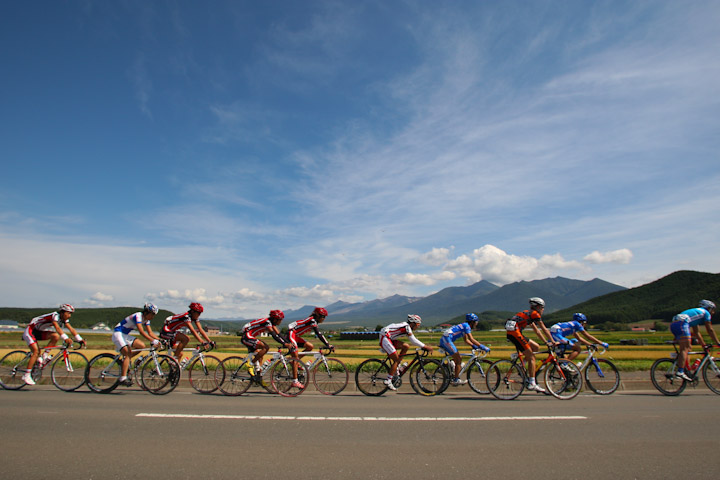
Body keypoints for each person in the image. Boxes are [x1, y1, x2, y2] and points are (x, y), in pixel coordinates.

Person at [21, 304, 86, 385]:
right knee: (36, 352)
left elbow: (71, 329)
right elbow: (57, 328)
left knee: (55, 336)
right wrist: (65, 338)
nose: (69, 316)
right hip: (30, 331)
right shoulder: (55, 315)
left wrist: (80, 339)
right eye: (68, 313)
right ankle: (26, 375)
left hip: (39, 331)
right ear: (62, 312)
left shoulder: (63, 319)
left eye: (70, 314)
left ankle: (45, 355)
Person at [505, 297, 554, 393]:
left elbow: (537, 331)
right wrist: (552, 341)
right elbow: (544, 328)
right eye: (542, 308)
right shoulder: (534, 314)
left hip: (515, 333)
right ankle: (532, 383)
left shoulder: (528, 314)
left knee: (536, 347)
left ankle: (520, 363)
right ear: (538, 307)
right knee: (531, 357)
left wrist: (546, 342)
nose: (543, 310)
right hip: (515, 334)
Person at [112, 303, 163, 386]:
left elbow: (150, 332)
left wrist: (160, 340)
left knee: (141, 346)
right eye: (152, 314)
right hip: (118, 334)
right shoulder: (138, 316)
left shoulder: (147, 320)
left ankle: (125, 361)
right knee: (127, 354)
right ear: (146, 312)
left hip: (125, 335)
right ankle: (122, 378)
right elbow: (141, 331)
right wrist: (152, 341)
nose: (153, 317)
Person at [379, 314, 433, 391]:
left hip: (389, 338)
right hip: (385, 337)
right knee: (396, 360)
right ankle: (388, 380)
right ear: (413, 323)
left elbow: (412, 340)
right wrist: (425, 346)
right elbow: (413, 340)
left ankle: (398, 367)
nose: (418, 326)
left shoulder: (406, 327)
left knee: (406, 346)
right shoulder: (406, 327)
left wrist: (423, 346)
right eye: (417, 325)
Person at [670, 300, 719, 381]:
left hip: (674, 324)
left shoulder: (697, 313)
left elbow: (697, 333)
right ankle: (680, 372)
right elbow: (710, 330)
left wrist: (704, 345)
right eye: (713, 310)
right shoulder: (706, 313)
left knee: (688, 348)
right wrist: (718, 343)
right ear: (709, 308)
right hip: (682, 323)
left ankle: (687, 369)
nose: (713, 312)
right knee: (684, 348)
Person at [286, 307, 334, 388]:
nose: (324, 319)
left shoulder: (313, 321)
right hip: (291, 334)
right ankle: (295, 381)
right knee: (295, 358)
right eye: (323, 316)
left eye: (325, 317)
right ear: (317, 315)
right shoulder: (312, 321)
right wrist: (328, 344)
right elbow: (319, 334)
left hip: (295, 335)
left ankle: (292, 361)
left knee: (310, 346)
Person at [438, 313, 490, 386]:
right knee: (458, 359)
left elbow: (466, 340)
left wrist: (474, 346)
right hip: (446, 340)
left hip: (446, 339)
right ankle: (456, 380)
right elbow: (471, 339)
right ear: (472, 322)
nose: (476, 324)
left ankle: (445, 368)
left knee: (458, 358)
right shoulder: (466, 326)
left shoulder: (464, 326)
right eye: (476, 322)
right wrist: (483, 347)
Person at [240, 309, 292, 379]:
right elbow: (274, 335)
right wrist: (285, 344)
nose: (281, 321)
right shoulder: (267, 322)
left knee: (260, 356)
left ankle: (258, 377)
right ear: (275, 319)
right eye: (280, 319)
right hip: (246, 336)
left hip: (249, 336)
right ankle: (251, 364)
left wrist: (288, 343)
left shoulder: (271, 323)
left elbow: (279, 334)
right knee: (266, 347)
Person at [161, 302, 213, 367]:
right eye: (198, 313)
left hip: (172, 332)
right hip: (166, 331)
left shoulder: (194, 317)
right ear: (193, 311)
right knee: (186, 339)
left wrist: (209, 341)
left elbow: (201, 330)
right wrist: (202, 341)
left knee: (179, 354)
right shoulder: (186, 316)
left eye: (200, 313)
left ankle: (174, 372)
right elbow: (193, 331)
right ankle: (174, 360)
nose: (199, 315)